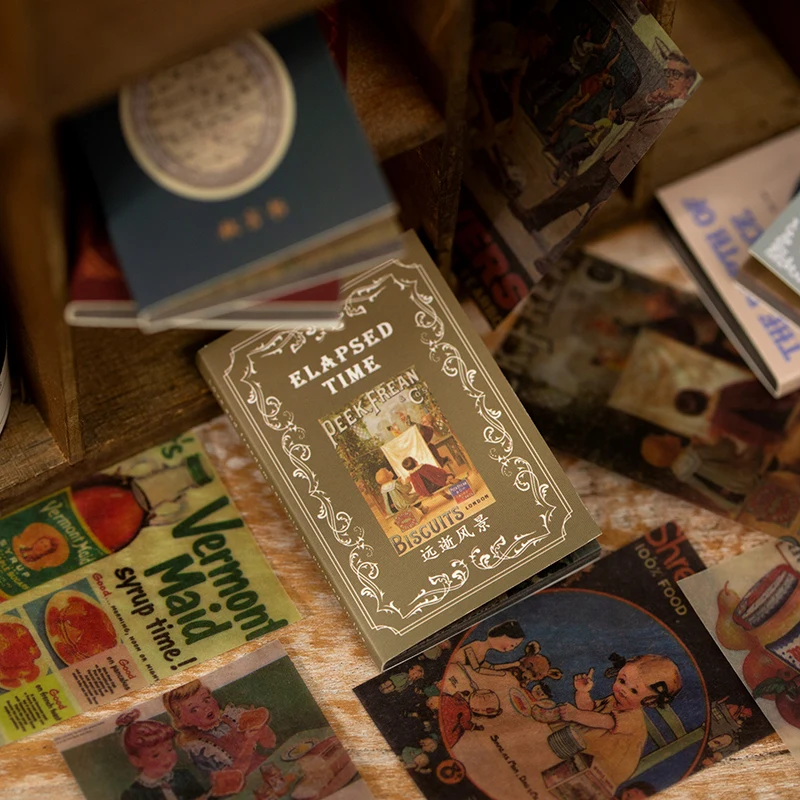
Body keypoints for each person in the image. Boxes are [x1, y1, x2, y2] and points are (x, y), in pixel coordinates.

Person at [511, 49, 698, 267]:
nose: (669, 79)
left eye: (675, 75)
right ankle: (534, 218)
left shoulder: (678, 113)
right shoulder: (661, 101)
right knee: (573, 190)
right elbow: (623, 114)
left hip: (623, 171)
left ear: (688, 82)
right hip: (611, 159)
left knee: (591, 217)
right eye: (668, 73)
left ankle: (550, 259)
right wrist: (648, 100)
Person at [556, 654, 682, 790]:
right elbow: (589, 709)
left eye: (634, 691)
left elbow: (602, 721)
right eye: (622, 681)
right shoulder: (614, 700)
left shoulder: (632, 718)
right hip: (584, 748)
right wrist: (582, 692)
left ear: (651, 702)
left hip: (601, 766)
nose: (623, 690)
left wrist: (575, 715)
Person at [164, 681, 275, 780]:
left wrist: (259, 727)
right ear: (184, 721)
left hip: (268, 769)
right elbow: (232, 779)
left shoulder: (233, 716)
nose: (206, 707)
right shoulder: (200, 748)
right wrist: (249, 743)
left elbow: (270, 743)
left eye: (206, 700)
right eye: (194, 709)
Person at [640, 433, 764, 511]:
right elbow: (727, 450)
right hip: (746, 481)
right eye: (663, 437)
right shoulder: (694, 453)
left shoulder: (679, 473)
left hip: (731, 502)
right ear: (667, 446)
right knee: (757, 441)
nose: (667, 435)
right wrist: (707, 443)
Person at [674, 378, 797, 450]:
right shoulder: (727, 391)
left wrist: (776, 440)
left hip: (785, 427)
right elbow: (762, 384)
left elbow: (752, 434)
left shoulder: (719, 421)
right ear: (702, 393)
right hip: (791, 404)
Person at [116, 709, 211, 800]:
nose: (167, 758)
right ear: (136, 761)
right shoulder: (133, 794)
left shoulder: (184, 776)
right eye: (155, 755)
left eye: (169, 749)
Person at [547, 41, 623, 142]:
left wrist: (575, 105)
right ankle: (552, 131)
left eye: (608, 76)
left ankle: (551, 132)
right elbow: (610, 64)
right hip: (577, 96)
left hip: (578, 100)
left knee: (563, 114)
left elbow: (586, 98)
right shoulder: (600, 76)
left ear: (606, 81)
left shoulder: (597, 85)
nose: (607, 74)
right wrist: (619, 52)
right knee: (562, 114)